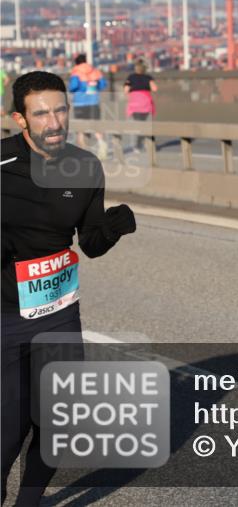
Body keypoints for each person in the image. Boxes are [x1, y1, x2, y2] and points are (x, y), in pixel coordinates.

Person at [2, 71, 137, 506]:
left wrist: (113, 229)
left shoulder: (85, 166)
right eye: (41, 113)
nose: (54, 121)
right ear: (20, 120)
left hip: (59, 314)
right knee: (7, 432)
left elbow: (91, 244)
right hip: (4, 317)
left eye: (60, 110)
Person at [67, 53, 108, 160]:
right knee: (96, 125)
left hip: (80, 103)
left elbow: (73, 87)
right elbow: (103, 84)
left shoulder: (76, 72)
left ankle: (82, 153)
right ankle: (101, 143)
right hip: (94, 102)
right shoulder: (95, 71)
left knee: (81, 128)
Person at [123, 60, 157, 151]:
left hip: (135, 103)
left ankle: (138, 145)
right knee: (146, 124)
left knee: (139, 124)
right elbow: (154, 88)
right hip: (145, 102)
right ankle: (149, 143)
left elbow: (126, 90)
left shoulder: (131, 77)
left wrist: (130, 95)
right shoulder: (148, 77)